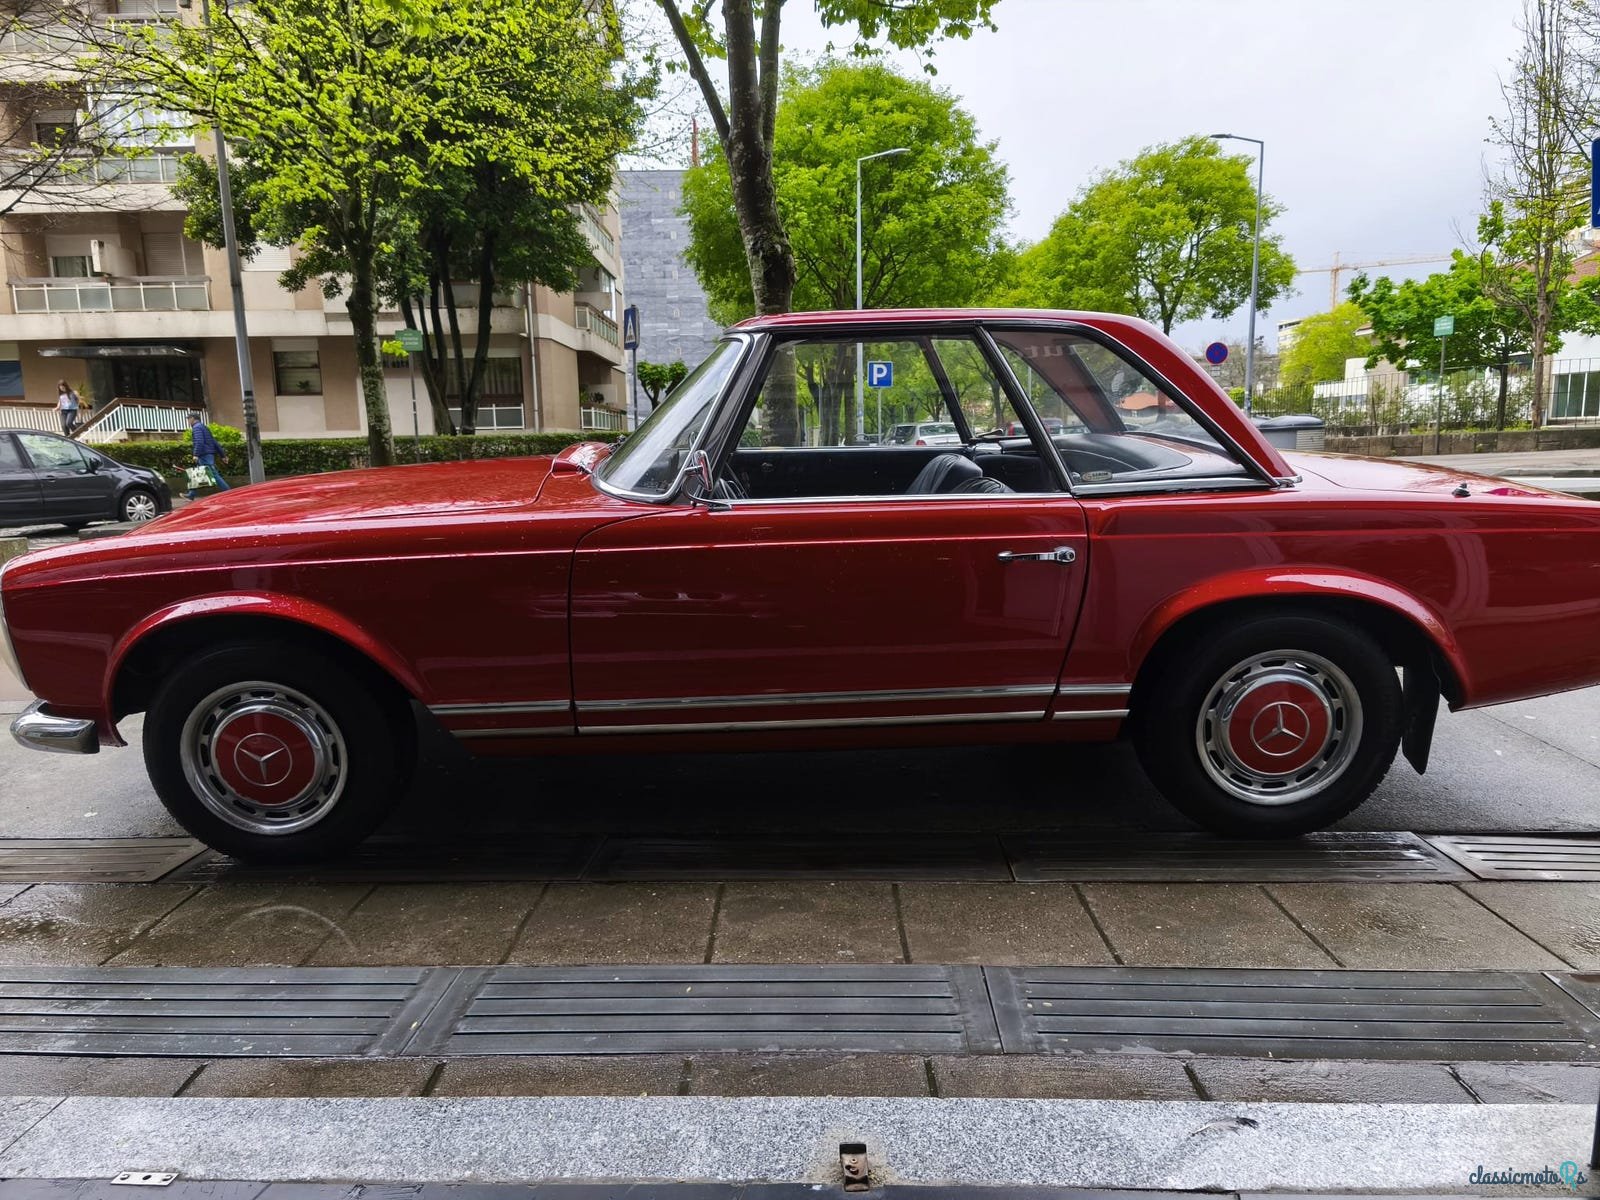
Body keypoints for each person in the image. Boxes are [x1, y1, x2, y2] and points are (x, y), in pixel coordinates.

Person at [185, 411, 231, 500]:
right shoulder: (204, 427)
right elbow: (214, 442)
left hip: (204, 455)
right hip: (207, 455)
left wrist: (196, 454)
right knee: (196, 474)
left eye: (188, 419)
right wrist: (223, 456)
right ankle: (191, 494)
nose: (188, 421)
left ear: (192, 419)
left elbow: (199, 441)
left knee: (213, 475)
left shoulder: (197, 428)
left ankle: (228, 492)